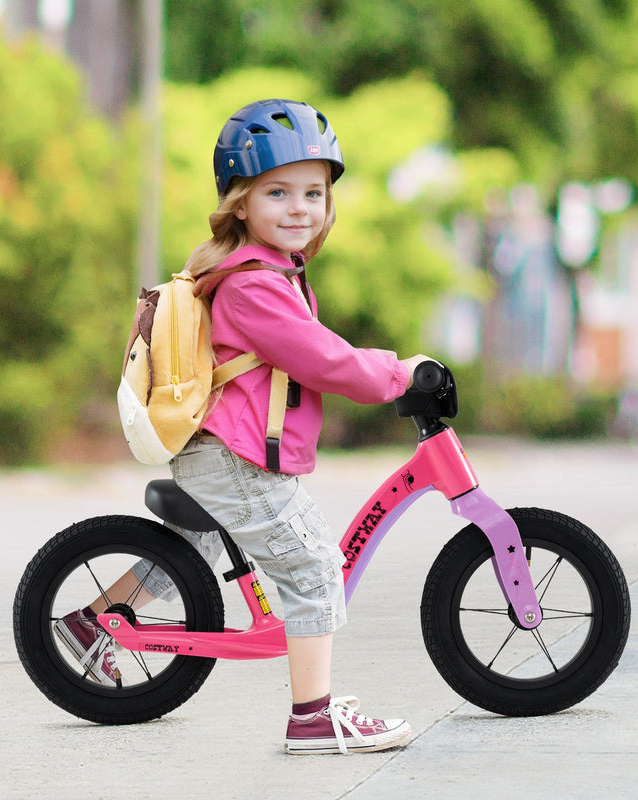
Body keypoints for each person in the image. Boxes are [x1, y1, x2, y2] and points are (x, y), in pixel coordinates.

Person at [54, 99, 429, 755]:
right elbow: (322, 357)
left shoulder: (266, 272)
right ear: (241, 203)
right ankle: (312, 717)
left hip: (218, 451)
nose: (298, 208)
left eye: (313, 193)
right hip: (233, 457)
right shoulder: (254, 283)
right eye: (277, 192)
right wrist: (401, 372)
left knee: (189, 550)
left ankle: (93, 623)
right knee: (315, 570)